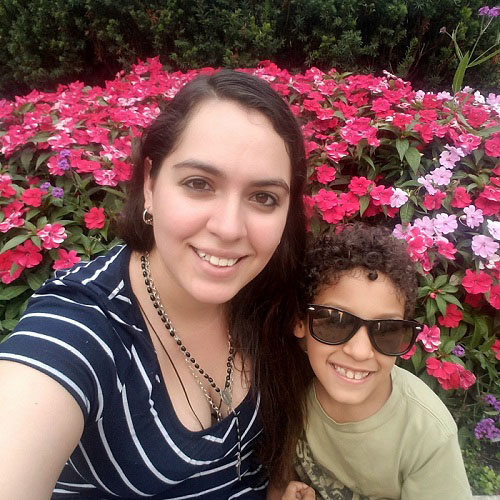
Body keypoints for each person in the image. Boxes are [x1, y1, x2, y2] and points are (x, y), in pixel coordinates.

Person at [0, 69, 310, 499]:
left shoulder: (268, 291)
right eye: (199, 184)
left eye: (264, 197)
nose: (229, 227)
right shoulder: (82, 328)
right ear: (150, 182)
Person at [269, 224, 472, 500]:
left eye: (386, 330)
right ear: (299, 321)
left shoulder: (427, 433)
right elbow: (278, 481)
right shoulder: (291, 389)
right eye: (335, 321)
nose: (360, 351)